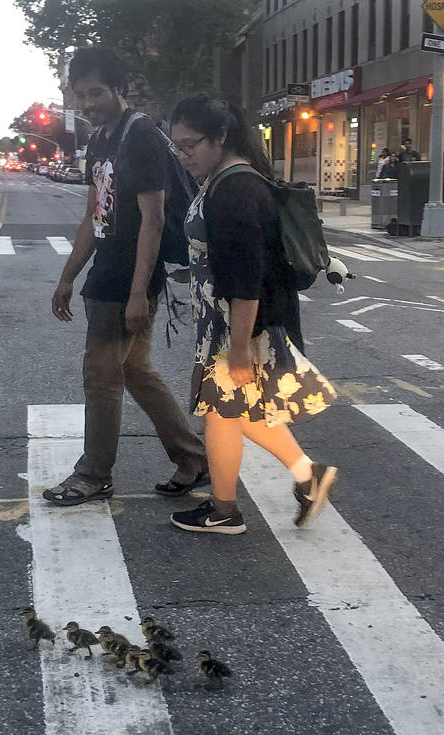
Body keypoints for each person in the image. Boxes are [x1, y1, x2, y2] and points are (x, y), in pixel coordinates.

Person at [166, 94, 339, 535]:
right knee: (231, 412)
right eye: (177, 146)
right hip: (226, 320)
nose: (183, 155)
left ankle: (225, 510)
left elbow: (246, 278)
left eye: (190, 145)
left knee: (222, 412)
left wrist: (240, 350)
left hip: (239, 326)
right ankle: (305, 475)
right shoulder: (224, 179)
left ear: (221, 137)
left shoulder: (237, 187)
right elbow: (232, 257)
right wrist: (198, 270)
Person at [44, 47, 209, 506]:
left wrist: (141, 291)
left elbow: (153, 219)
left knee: (101, 377)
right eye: (80, 95)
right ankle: (193, 458)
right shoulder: (100, 139)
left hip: (127, 276)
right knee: (135, 370)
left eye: (96, 92)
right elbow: (94, 215)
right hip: (107, 270)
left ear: (119, 87)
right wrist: (67, 276)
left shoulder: (140, 137)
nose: (87, 102)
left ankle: (93, 475)